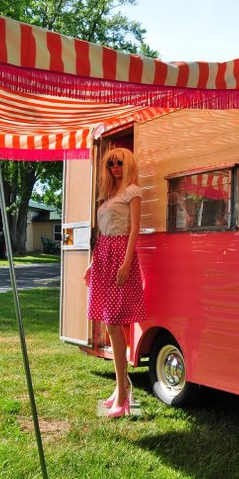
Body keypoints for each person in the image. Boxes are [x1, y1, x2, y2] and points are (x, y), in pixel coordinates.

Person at [83, 147, 146, 418]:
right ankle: (121, 389)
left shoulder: (133, 192)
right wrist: (92, 263)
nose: (115, 167)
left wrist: (127, 262)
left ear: (128, 164)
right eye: (111, 164)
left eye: (119, 163)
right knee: (111, 324)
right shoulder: (110, 196)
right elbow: (104, 233)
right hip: (105, 256)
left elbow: (134, 229)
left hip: (120, 256)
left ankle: (123, 395)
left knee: (113, 323)